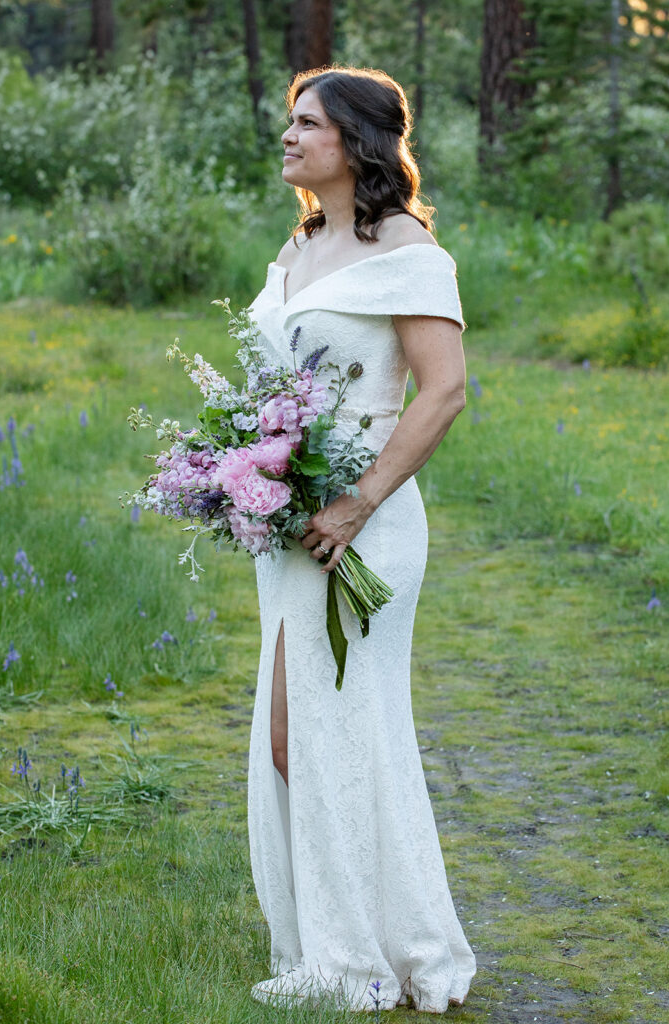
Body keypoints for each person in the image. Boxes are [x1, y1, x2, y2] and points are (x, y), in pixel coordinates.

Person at [246, 65, 476, 1014]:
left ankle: (358, 961)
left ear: (357, 141)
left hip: (361, 528)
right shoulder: (300, 245)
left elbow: (444, 391)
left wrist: (355, 503)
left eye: (308, 122)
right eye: (289, 120)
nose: (289, 134)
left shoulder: (406, 248)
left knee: (335, 729)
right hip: (291, 526)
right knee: (290, 736)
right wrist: (245, 472)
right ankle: (342, 940)